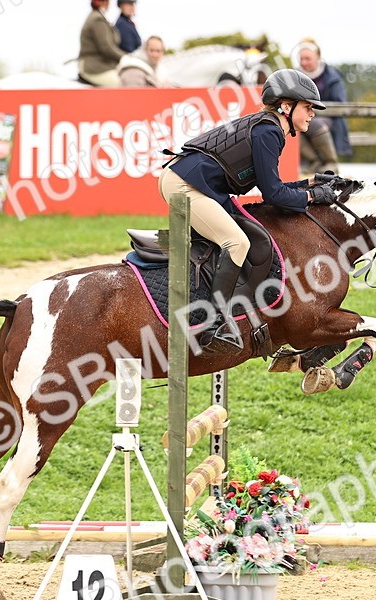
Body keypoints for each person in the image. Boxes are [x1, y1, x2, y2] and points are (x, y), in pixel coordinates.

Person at [159, 69, 337, 355]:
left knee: (243, 234)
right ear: (286, 106)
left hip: (195, 183)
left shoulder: (268, 127)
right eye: (308, 107)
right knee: (237, 242)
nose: (313, 113)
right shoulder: (269, 132)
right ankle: (212, 324)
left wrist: (311, 183)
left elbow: (274, 187)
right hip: (185, 186)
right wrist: (312, 196)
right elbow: (275, 196)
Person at [294, 38, 351, 174]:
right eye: (301, 59)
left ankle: (330, 162)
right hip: (302, 117)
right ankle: (315, 161)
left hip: (329, 118)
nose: (303, 63)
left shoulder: (332, 77)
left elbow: (340, 104)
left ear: (318, 57)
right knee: (290, 126)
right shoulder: (295, 75)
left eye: (308, 59)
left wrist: (313, 109)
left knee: (315, 124)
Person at [77, 0, 125, 86]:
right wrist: (126, 58)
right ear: (105, 2)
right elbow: (106, 48)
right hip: (94, 67)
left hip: (100, 65)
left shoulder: (96, 16)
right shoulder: (97, 19)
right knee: (124, 83)